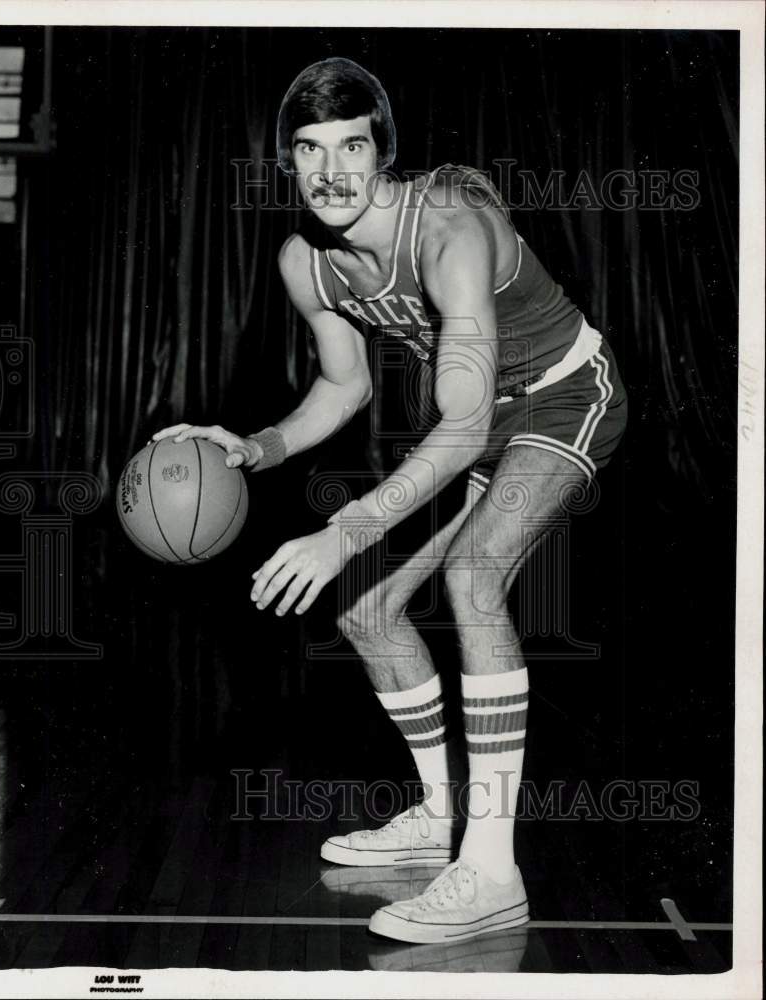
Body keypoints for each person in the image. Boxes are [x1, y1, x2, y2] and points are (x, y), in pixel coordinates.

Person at [153, 56, 627, 945]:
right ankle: (439, 815)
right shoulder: (307, 260)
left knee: (472, 579)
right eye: (307, 149)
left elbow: (464, 416)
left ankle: (490, 869)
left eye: (351, 146)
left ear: (383, 153)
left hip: (566, 398)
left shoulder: (448, 229)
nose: (329, 171)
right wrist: (250, 448)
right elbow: (342, 391)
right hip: (479, 421)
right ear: (285, 162)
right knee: (370, 613)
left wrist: (345, 528)